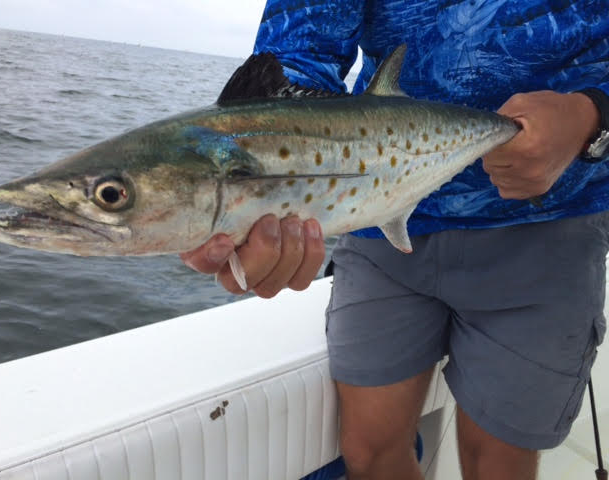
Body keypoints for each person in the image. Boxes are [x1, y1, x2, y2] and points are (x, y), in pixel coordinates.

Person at [181, 1, 609, 479]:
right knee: (369, 455)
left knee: (499, 467)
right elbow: (296, 58)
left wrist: (592, 116)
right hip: (379, 224)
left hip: (548, 231)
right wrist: (259, 167)